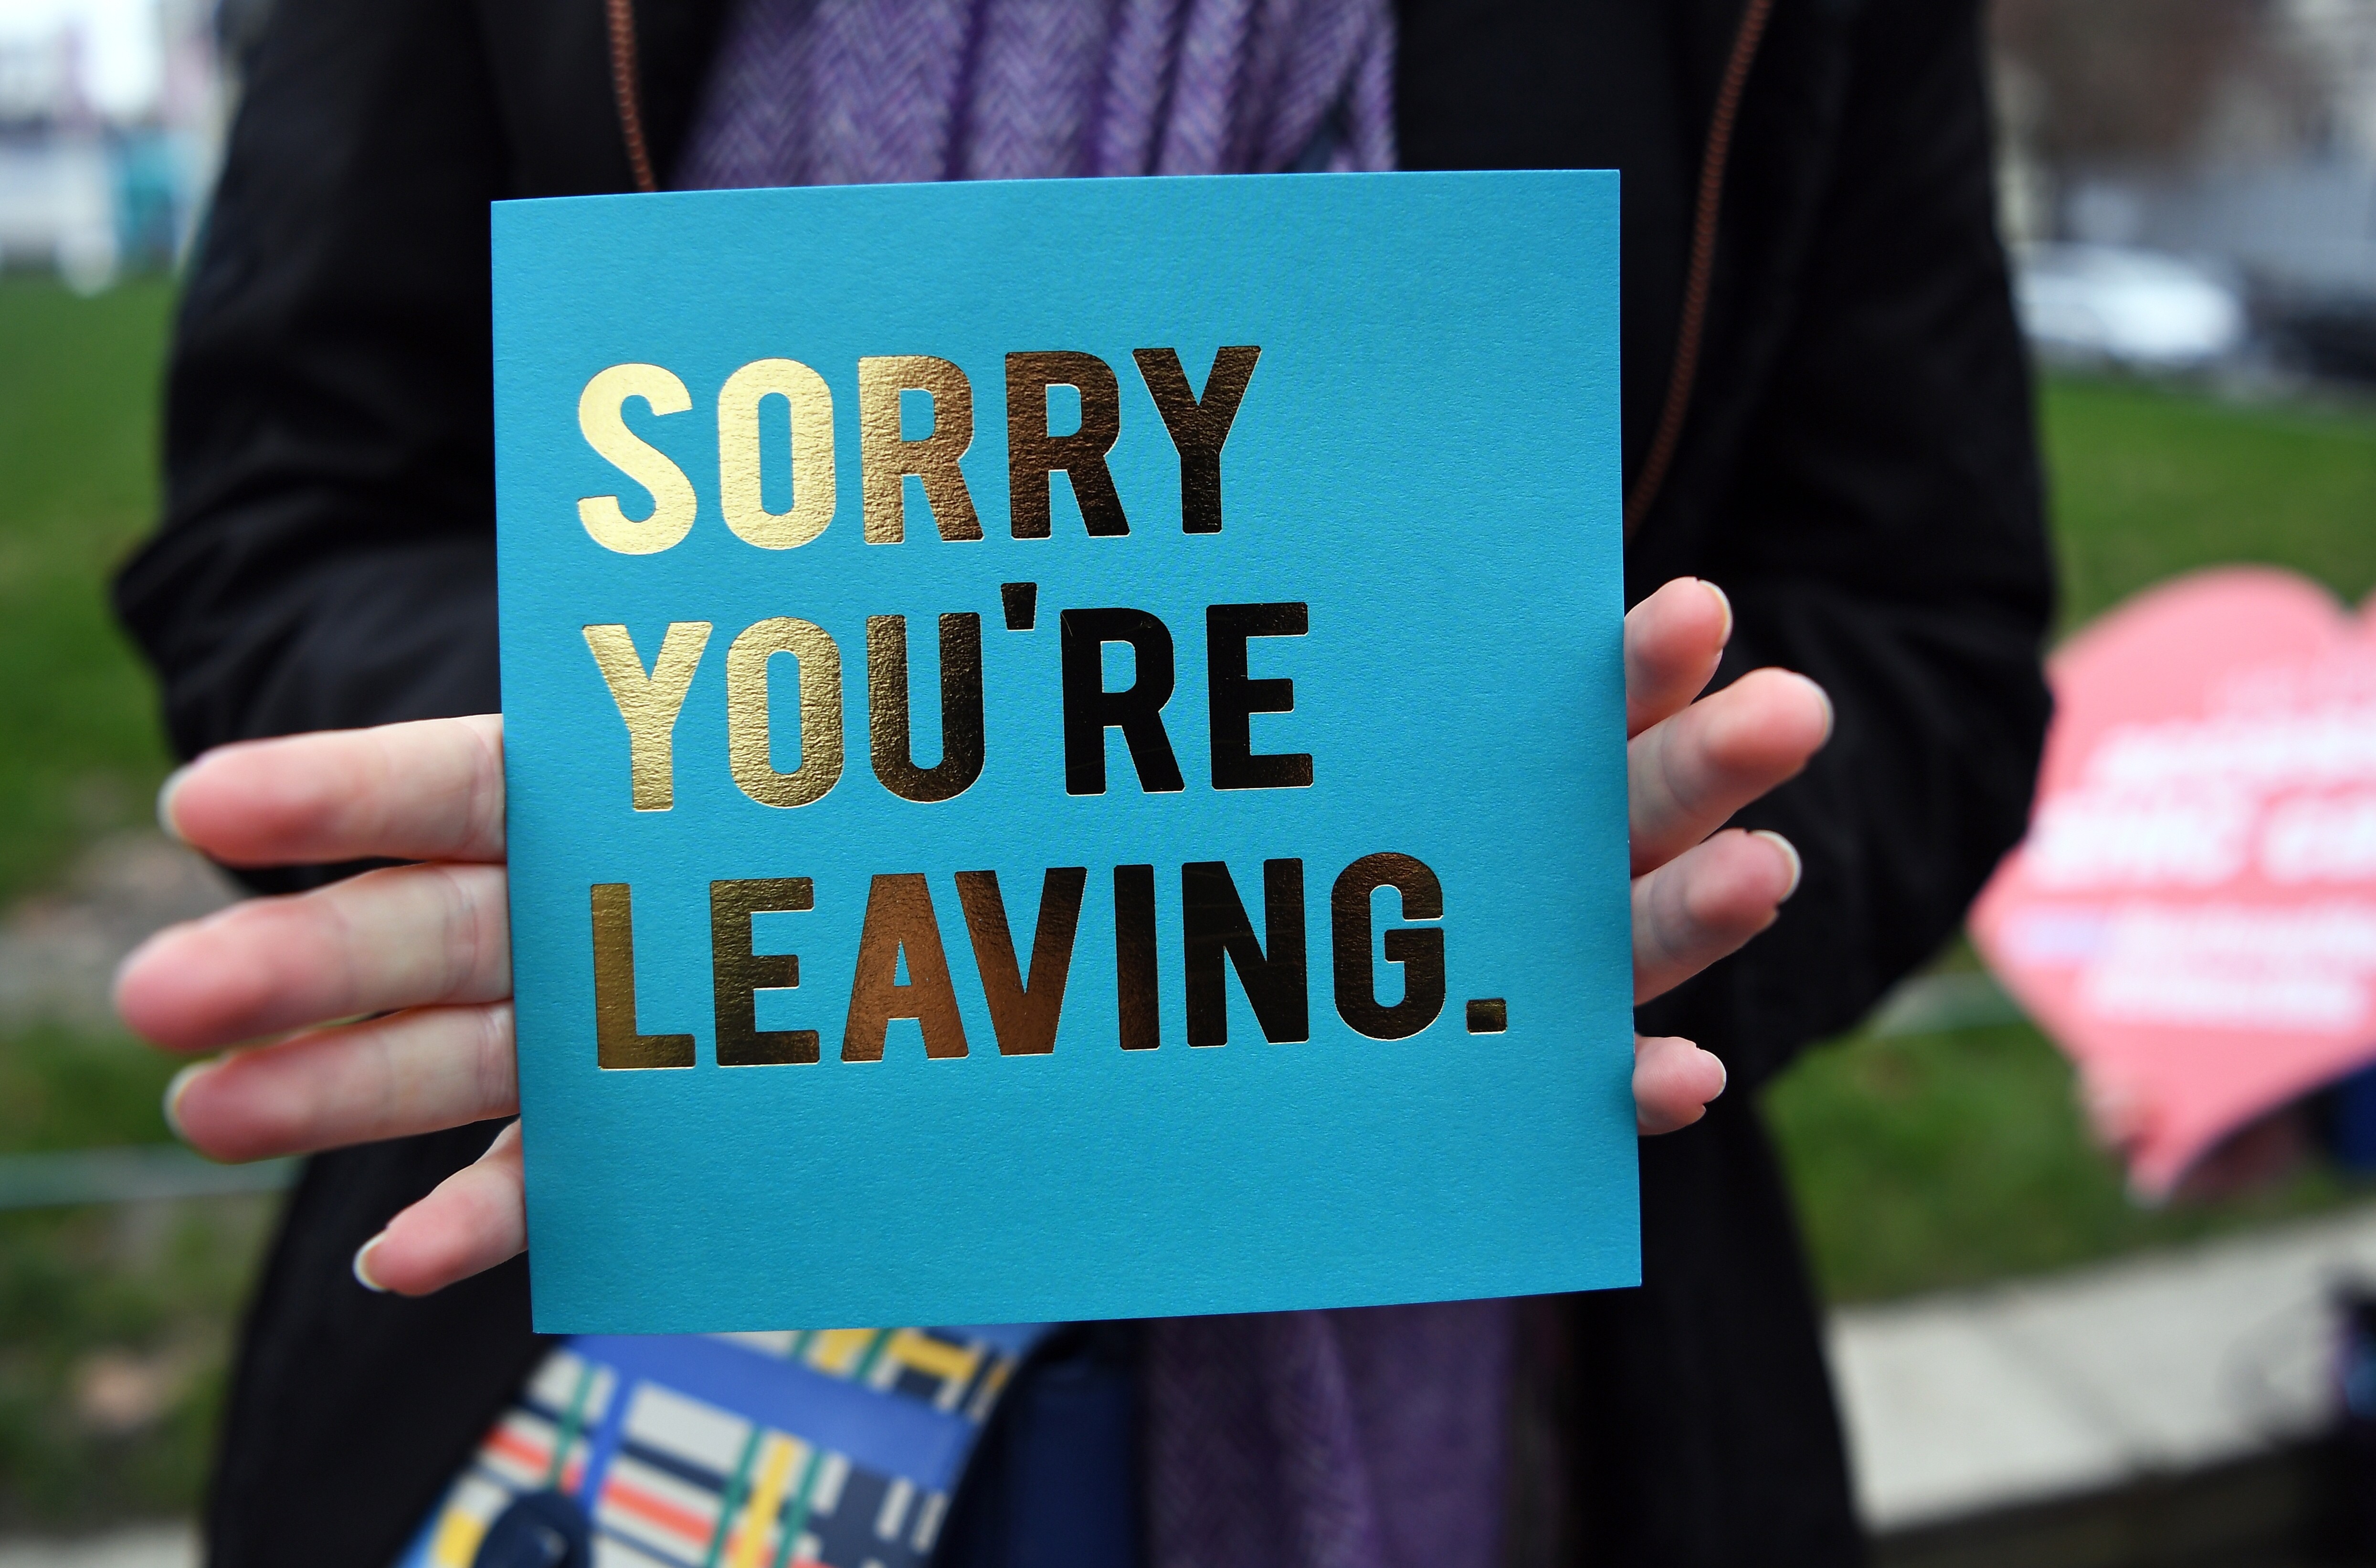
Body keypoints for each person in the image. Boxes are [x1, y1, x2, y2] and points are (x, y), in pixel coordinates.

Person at [110, 0, 2053, 1564]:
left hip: (1492, 1374)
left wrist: (1614, 878)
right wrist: (669, 792)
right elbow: (289, 521)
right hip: (611, 1296)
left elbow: (1929, 641)